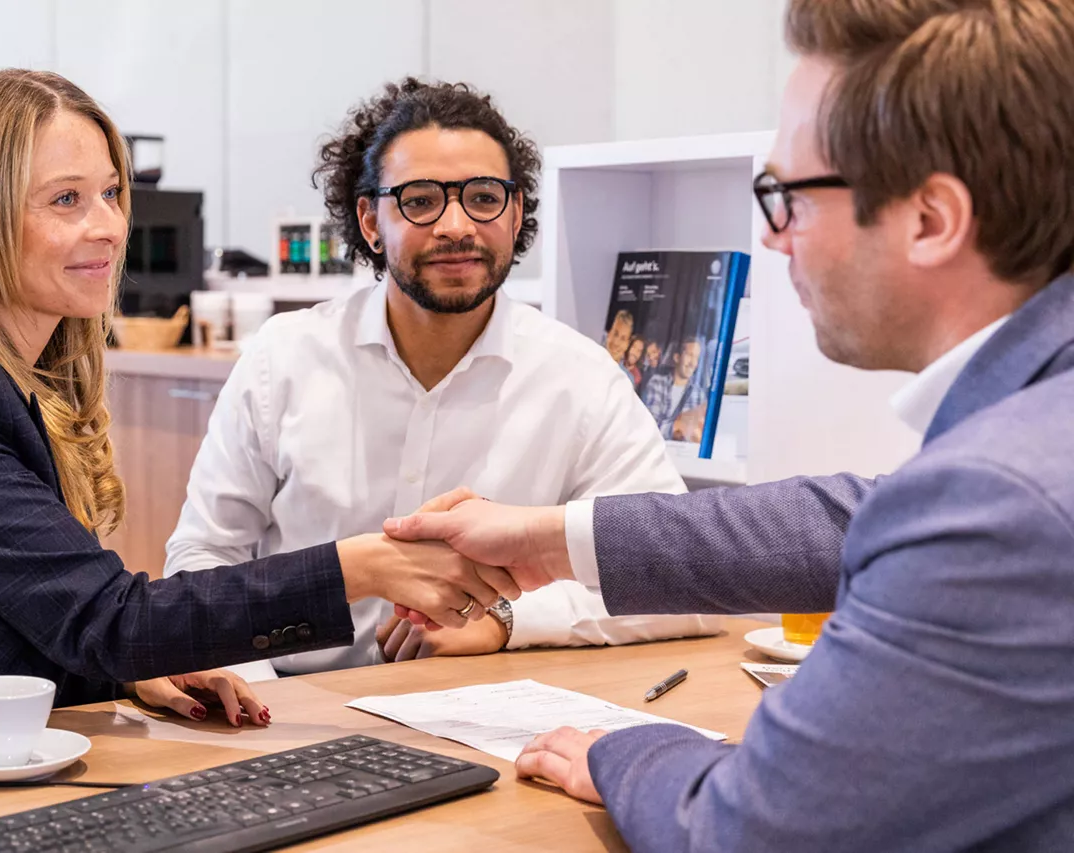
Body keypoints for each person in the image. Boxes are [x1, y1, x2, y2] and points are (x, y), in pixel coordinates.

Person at [384, 1, 1074, 849]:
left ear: (932, 220)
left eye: (786, 196)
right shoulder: (1030, 437)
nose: (769, 237)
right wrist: (546, 536)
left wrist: (625, 750)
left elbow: (751, 828)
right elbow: (856, 516)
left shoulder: (1001, 499)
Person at [0, 70, 518, 743]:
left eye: (111, 194)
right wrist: (363, 565)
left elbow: (41, 611)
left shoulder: (5, 370)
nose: (109, 226)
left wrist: (138, 665)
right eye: (66, 200)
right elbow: (106, 618)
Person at [164, 78, 716, 679]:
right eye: (421, 200)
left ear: (518, 212)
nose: (456, 225)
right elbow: (203, 562)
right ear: (371, 222)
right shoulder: (284, 360)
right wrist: (250, 686)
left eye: (483, 197)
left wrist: (506, 621)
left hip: (484, 715)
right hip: (291, 710)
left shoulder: (579, 380)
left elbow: (679, 583)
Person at [641, 336, 706, 441]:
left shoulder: (699, 394)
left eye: (696, 358)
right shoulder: (657, 383)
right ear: (677, 357)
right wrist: (677, 426)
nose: (693, 363)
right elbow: (649, 429)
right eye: (689, 355)